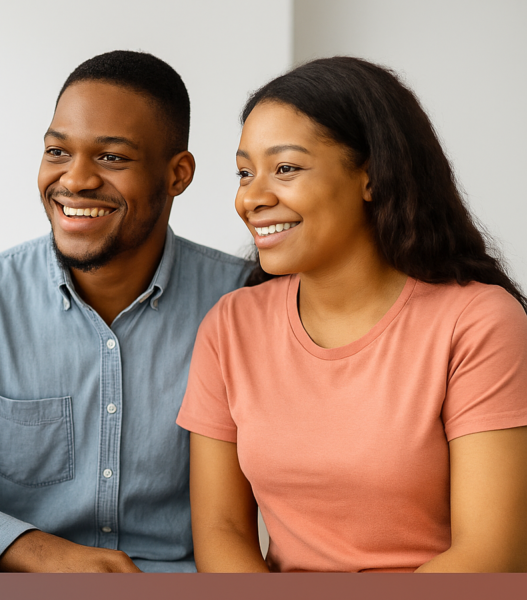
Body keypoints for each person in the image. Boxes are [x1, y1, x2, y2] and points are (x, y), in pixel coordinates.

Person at [0, 50, 250, 573]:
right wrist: (46, 555)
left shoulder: (244, 304)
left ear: (177, 174)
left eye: (112, 158)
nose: (75, 180)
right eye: (57, 152)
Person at [179, 56, 527, 572]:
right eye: (245, 172)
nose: (251, 197)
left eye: (286, 168)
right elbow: (220, 531)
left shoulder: (478, 322)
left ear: (372, 176)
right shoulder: (230, 326)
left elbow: (491, 554)